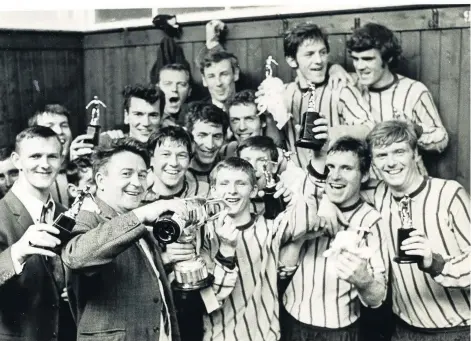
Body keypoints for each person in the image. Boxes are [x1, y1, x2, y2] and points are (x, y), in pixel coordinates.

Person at [320, 120, 470, 341]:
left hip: (456, 330)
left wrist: (435, 263)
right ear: (374, 166)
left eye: (398, 152)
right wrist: (326, 201)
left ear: (415, 154)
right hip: (403, 329)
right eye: (381, 155)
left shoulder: (448, 194)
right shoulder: (378, 194)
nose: (391, 163)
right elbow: (339, 183)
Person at [201, 157, 326, 341]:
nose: (232, 191)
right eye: (224, 183)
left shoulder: (270, 228)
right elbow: (213, 299)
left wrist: (292, 191)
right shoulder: (203, 234)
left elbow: (308, 217)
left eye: (241, 183)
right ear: (213, 190)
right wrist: (227, 249)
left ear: (253, 191)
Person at [280, 137, 389, 341]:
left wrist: (364, 281)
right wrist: (318, 210)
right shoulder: (307, 201)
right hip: (291, 321)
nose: (335, 176)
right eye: (330, 167)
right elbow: (280, 267)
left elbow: (378, 297)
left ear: (364, 175)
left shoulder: (371, 221)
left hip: (340, 330)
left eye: (346, 168)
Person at [257, 23, 375, 169]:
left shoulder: (340, 88)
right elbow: (276, 145)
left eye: (323, 52)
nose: (319, 60)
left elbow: (368, 129)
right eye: (309, 54)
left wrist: (331, 133)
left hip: (334, 180)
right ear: (291, 60)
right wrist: (269, 116)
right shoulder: (284, 93)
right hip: (299, 182)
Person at [0, 126, 75, 341]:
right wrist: (17, 253)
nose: (44, 164)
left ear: (61, 160)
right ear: (16, 160)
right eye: (35, 156)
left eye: (52, 156)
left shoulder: (66, 214)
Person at [345, 23, 448, 176]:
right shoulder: (349, 90)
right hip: (366, 188)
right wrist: (335, 69)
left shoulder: (414, 90)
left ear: (388, 58)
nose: (360, 66)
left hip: (408, 186)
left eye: (367, 59)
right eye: (356, 59)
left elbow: (442, 140)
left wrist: (415, 130)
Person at [220, 89, 287, 163]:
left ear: (263, 122)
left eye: (249, 119)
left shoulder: (280, 158)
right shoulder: (225, 153)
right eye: (235, 120)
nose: (242, 127)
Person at [237, 136, 294, 215]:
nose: (253, 167)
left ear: (274, 167)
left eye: (261, 160)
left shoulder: (287, 195)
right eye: (246, 160)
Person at [184, 102, 229, 184]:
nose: (210, 145)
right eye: (202, 135)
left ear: (224, 137)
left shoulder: (229, 169)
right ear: (188, 136)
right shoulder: (177, 174)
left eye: (216, 136)